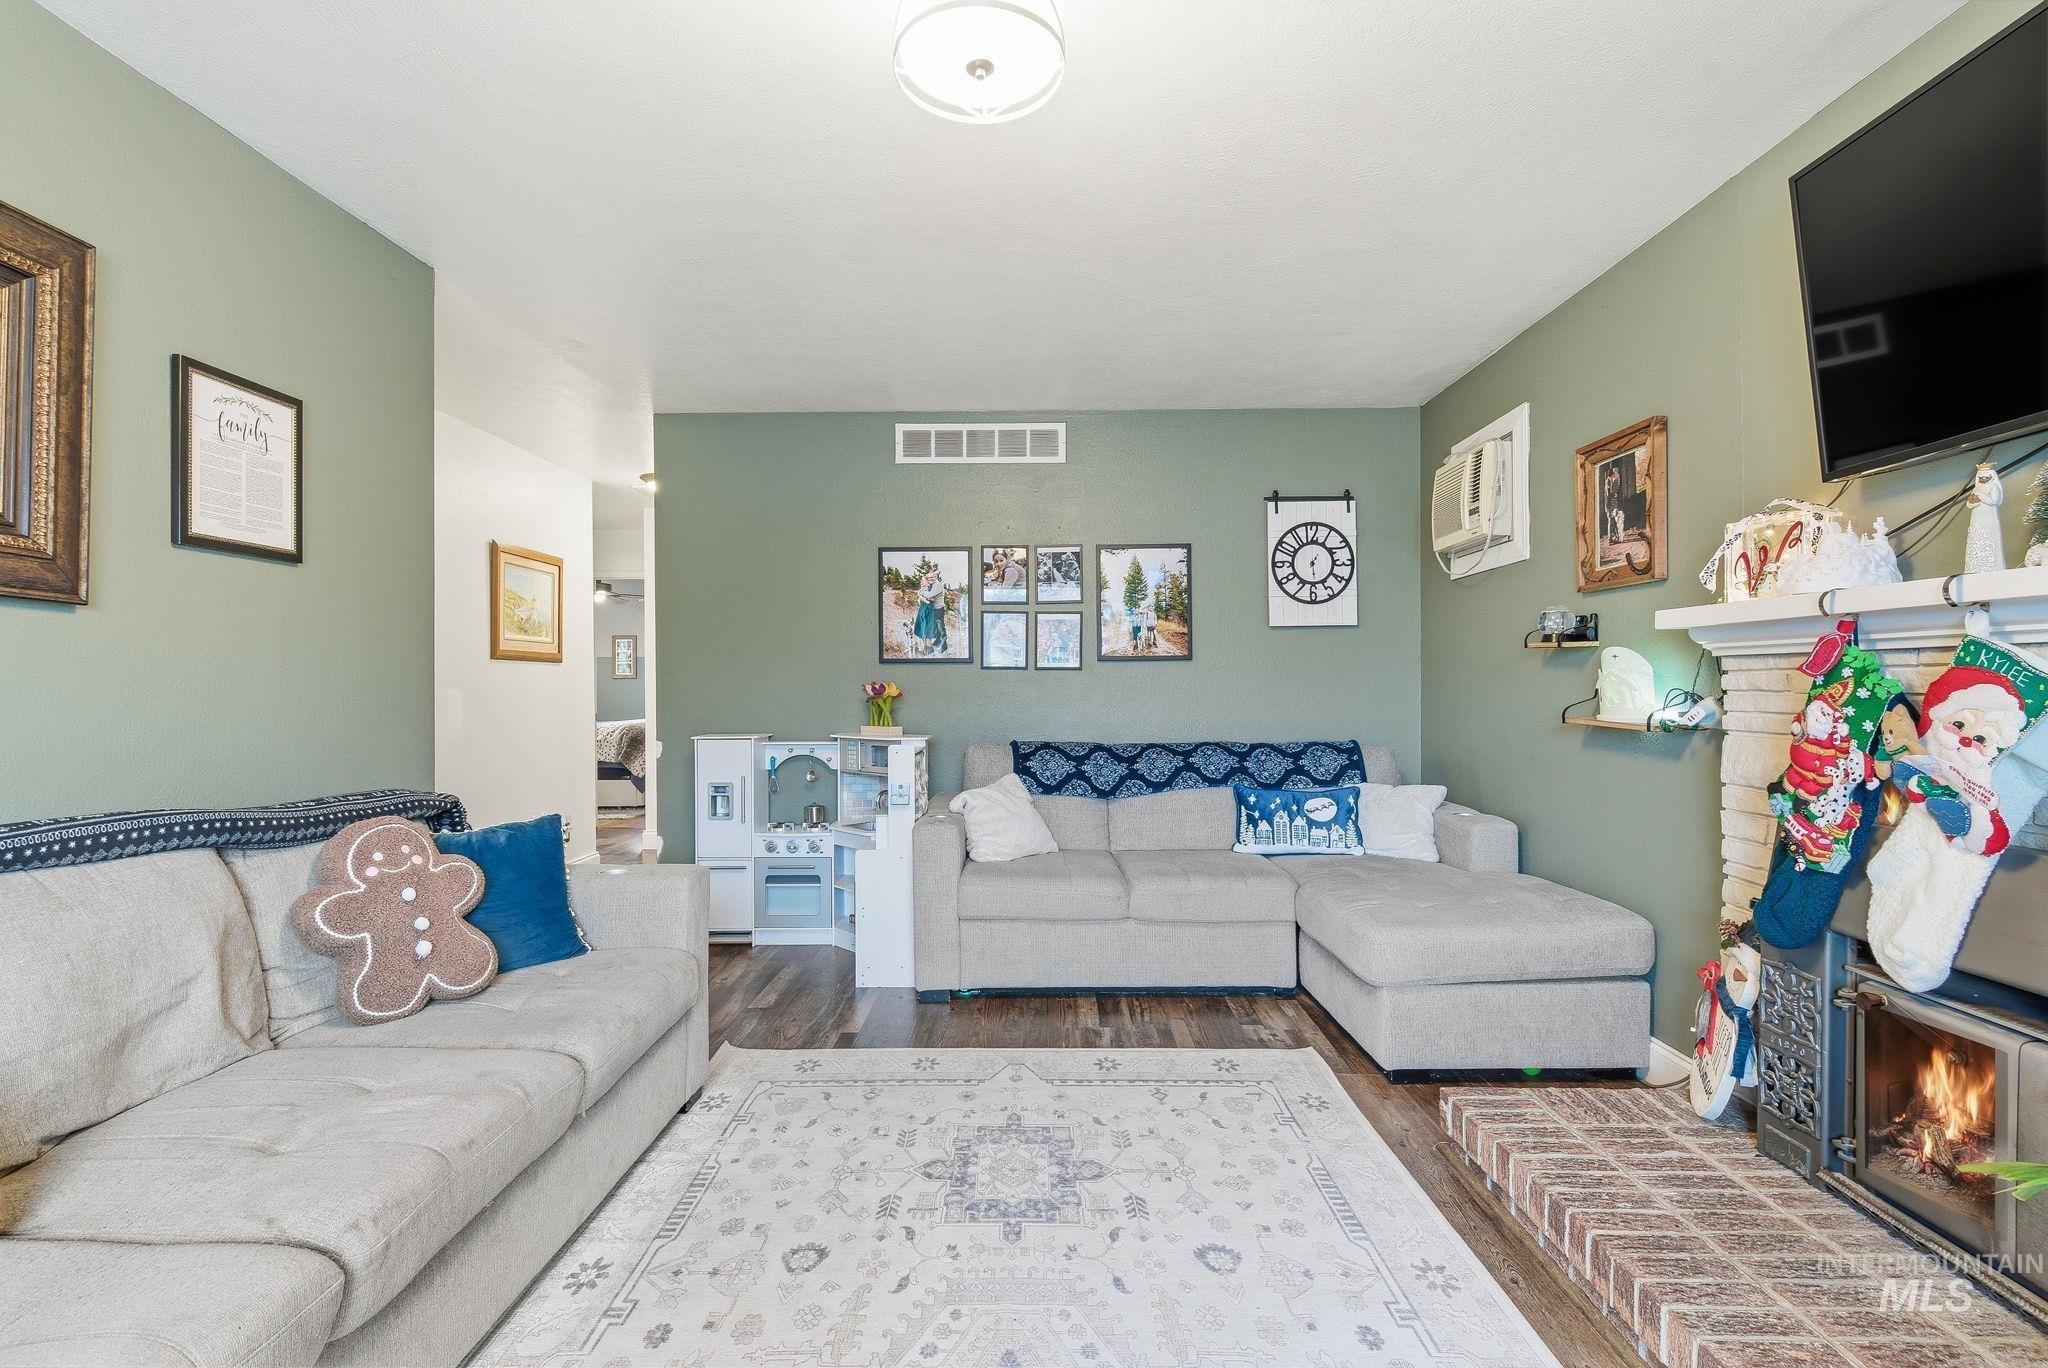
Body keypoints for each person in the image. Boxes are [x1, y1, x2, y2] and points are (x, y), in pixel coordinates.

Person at [912, 568, 948, 655]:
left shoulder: (937, 585)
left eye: (932, 577)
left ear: (936, 577)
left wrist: (920, 592)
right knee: (935, 627)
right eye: (928, 578)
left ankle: (943, 645)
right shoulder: (931, 585)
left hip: (938, 609)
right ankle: (937, 643)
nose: (930, 579)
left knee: (940, 627)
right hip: (933, 609)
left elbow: (930, 595)